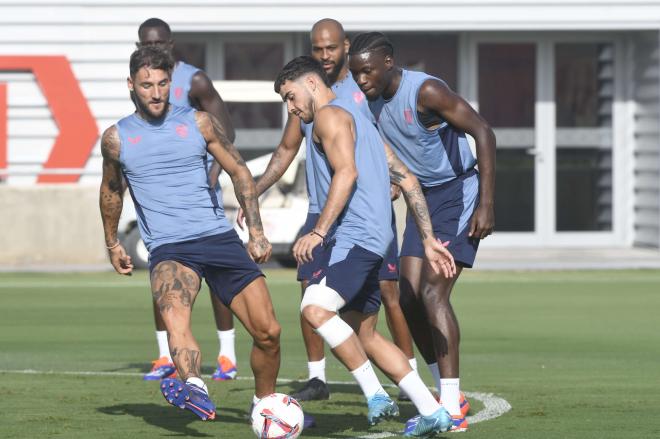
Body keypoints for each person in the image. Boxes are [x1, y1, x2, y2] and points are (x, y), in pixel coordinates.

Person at [274, 55, 456, 436]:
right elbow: (406, 180)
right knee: (365, 334)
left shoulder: (327, 117)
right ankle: (432, 411)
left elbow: (347, 172)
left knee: (313, 308)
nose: (291, 108)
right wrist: (427, 240)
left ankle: (375, 394)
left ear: (310, 84)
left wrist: (319, 232)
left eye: (291, 97)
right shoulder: (363, 123)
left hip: (355, 238)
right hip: (379, 240)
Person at [99, 46, 281, 421]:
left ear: (171, 83)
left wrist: (257, 231)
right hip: (169, 247)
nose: (155, 92)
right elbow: (111, 191)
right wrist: (112, 241)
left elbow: (240, 170)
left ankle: (264, 404)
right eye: (147, 84)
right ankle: (195, 388)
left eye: (163, 83)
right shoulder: (117, 138)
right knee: (176, 319)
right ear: (131, 85)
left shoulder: (199, 122)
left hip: (217, 237)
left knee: (269, 332)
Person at [239, 18, 416, 403]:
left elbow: (379, 141)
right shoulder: (302, 95)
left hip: (365, 212)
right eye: (317, 49)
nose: (325, 55)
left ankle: (409, 376)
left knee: (388, 292)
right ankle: (317, 377)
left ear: (346, 47)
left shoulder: (363, 85)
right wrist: (255, 190)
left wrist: (394, 178)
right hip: (323, 211)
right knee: (311, 291)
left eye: (331, 48)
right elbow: (286, 149)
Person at [349, 32, 497, 432]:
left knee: (433, 293)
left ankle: (450, 407)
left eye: (367, 71)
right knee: (408, 297)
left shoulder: (426, 91)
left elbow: (484, 132)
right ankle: (446, 392)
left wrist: (486, 203)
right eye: (355, 74)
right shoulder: (368, 100)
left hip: (458, 193)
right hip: (423, 201)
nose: (361, 80)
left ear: (388, 62)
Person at [136, 18, 239, 382]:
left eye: (161, 43)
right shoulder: (141, 80)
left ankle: (227, 356)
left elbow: (226, 130)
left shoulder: (193, 80)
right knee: (162, 272)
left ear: (172, 43)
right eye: (147, 43)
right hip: (158, 198)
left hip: (198, 195)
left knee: (215, 274)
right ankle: (165, 356)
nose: (155, 48)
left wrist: (212, 174)